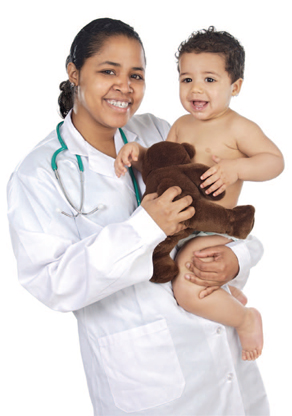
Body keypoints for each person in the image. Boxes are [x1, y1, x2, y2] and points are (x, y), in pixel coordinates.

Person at [7, 19, 270, 416]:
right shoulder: (39, 175)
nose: (124, 86)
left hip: (229, 356)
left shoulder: (162, 132)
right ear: (74, 73)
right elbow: (54, 282)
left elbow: (221, 214)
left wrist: (237, 260)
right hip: (149, 384)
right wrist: (146, 227)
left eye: (136, 75)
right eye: (108, 71)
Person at [114, 27, 284, 362]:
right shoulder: (180, 124)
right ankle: (227, 296)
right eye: (186, 79)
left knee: (187, 286)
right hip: (178, 225)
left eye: (209, 79)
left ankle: (245, 318)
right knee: (169, 275)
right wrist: (138, 153)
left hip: (213, 226)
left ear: (235, 86)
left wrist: (237, 168)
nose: (196, 89)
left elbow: (275, 162)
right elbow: (165, 166)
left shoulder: (238, 127)